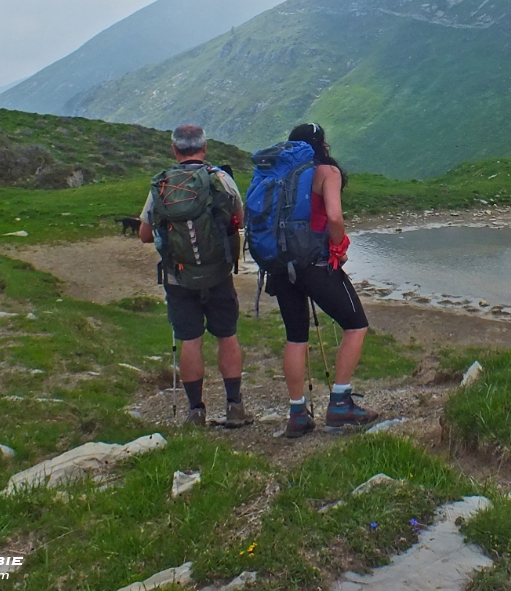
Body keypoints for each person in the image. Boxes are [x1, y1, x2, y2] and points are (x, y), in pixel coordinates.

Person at [260, 123, 378, 437]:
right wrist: (338, 247)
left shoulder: (278, 173)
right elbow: (335, 217)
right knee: (355, 325)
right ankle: (340, 403)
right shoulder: (326, 172)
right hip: (314, 263)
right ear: (321, 145)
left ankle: (297, 413)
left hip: (281, 266)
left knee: (295, 337)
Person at [139, 124, 252, 427]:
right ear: (205, 148)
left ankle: (195, 412)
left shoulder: (163, 185)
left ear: (175, 150)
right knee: (227, 336)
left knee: (190, 340)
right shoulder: (221, 179)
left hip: (178, 278)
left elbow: (144, 235)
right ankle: (234, 406)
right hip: (218, 274)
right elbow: (239, 217)